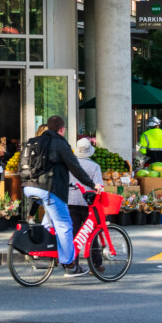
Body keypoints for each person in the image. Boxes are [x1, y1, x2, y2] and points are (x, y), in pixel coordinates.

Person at [21, 115, 100, 278]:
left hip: (28, 187)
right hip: (48, 189)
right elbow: (75, 168)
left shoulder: (36, 141)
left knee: (51, 219)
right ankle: (69, 263)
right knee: (65, 224)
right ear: (62, 129)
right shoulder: (60, 144)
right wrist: (93, 185)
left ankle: (44, 245)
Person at [67, 138, 105, 234]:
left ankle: (73, 249)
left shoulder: (70, 165)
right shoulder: (95, 166)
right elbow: (99, 186)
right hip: (88, 203)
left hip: (71, 201)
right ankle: (94, 249)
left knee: (74, 232)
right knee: (92, 232)